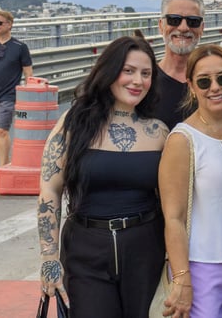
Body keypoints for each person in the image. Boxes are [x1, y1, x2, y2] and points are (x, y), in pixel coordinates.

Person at [37, 35, 169, 317]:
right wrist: (49, 258)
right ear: (109, 71)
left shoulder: (159, 132)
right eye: (128, 70)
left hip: (146, 248)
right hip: (85, 249)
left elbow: (171, 204)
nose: (138, 81)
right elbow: (50, 191)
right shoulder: (74, 123)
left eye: (146, 74)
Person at [158, 45, 222, 317]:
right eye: (204, 81)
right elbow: (173, 217)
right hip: (202, 265)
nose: (215, 87)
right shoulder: (182, 139)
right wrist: (182, 278)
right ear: (191, 86)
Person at [0, 10, 33, 183]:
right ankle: (5, 165)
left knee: (2, 130)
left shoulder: (20, 47)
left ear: (9, 24)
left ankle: (3, 169)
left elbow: (28, 73)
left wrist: (27, 95)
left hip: (9, 96)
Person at [156, 0, 207, 129]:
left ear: (202, 28)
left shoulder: (216, 80)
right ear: (161, 25)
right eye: (174, 20)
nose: (183, 27)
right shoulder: (145, 82)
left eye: (193, 21)